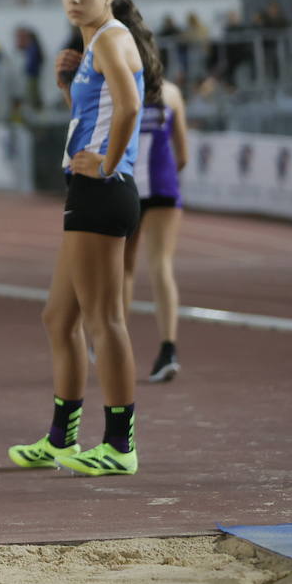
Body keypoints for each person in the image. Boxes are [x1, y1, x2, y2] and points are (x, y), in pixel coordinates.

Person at [8, 0, 160, 478]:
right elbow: (96, 112)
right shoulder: (94, 42)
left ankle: (120, 445)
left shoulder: (113, 37)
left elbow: (131, 107)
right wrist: (66, 88)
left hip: (104, 192)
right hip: (89, 193)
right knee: (60, 317)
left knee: (104, 320)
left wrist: (110, 163)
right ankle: (61, 439)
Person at [125, 79, 189, 383]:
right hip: (164, 186)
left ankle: (113, 342)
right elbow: (184, 155)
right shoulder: (172, 93)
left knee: (124, 268)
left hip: (128, 187)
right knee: (161, 266)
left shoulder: (120, 86)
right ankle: (168, 349)